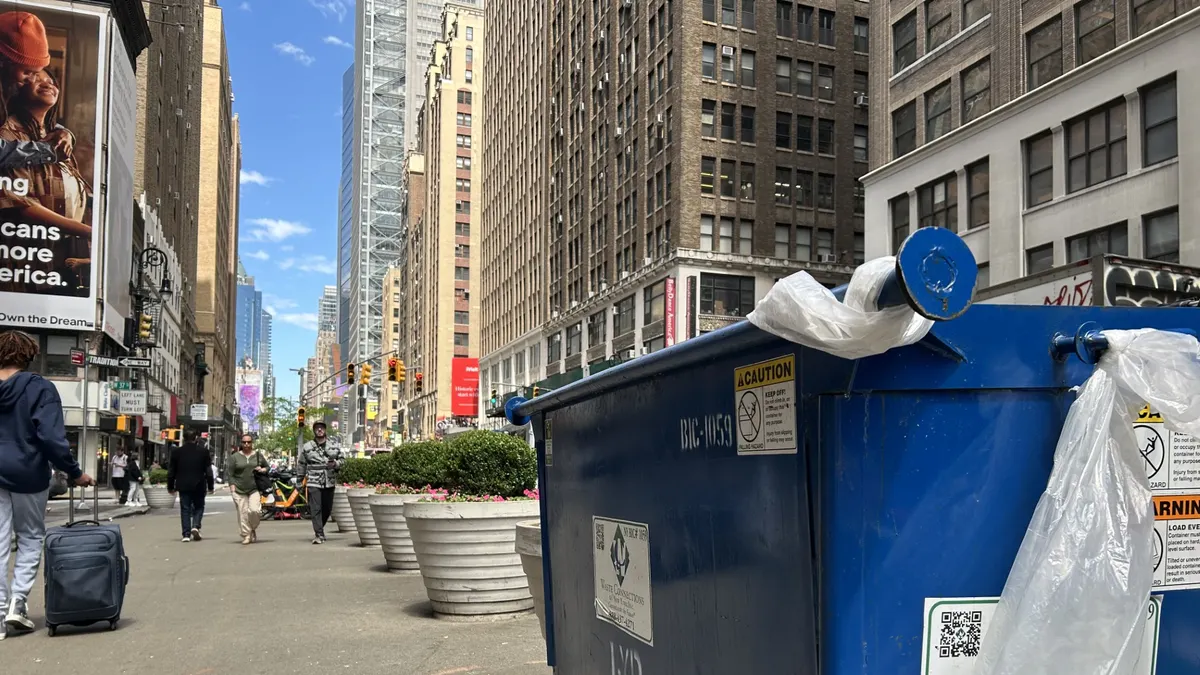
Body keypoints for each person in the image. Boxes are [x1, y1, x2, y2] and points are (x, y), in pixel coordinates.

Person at [0, 330, 94, 640]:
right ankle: (17, 603)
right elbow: (51, 438)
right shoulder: (40, 388)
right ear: (29, 356)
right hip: (28, 472)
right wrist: (75, 472)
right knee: (30, 537)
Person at [0, 12, 73, 171]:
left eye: (36, 73)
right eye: (27, 72)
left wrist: (64, 132)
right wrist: (47, 150)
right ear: (4, 62)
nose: (31, 79)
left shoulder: (8, 88)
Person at [298, 421, 345, 545]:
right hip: (313, 481)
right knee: (316, 508)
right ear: (314, 431)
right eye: (317, 428)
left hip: (329, 481)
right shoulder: (307, 447)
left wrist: (335, 464)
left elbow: (343, 460)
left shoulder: (334, 445)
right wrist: (299, 482)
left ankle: (319, 527)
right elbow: (301, 465)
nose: (319, 430)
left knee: (327, 508)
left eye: (322, 428)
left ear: (325, 430)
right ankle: (319, 534)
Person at [167, 430, 214, 542]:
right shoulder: (203, 452)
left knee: (185, 508)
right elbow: (208, 470)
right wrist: (210, 486)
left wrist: (170, 486)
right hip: (199, 483)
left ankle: (186, 534)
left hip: (183, 484)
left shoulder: (176, 452)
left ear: (184, 438)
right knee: (199, 506)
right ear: (196, 438)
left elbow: (171, 471)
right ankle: (196, 526)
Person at [227, 434, 268, 545]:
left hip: (254, 488)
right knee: (243, 513)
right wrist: (232, 486)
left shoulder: (258, 455)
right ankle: (246, 535)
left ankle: (252, 528)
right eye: (244, 442)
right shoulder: (235, 457)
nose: (246, 444)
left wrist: (262, 469)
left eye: (248, 442)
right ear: (241, 443)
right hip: (239, 489)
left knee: (254, 511)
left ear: (252, 443)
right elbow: (230, 473)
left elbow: (267, 467)